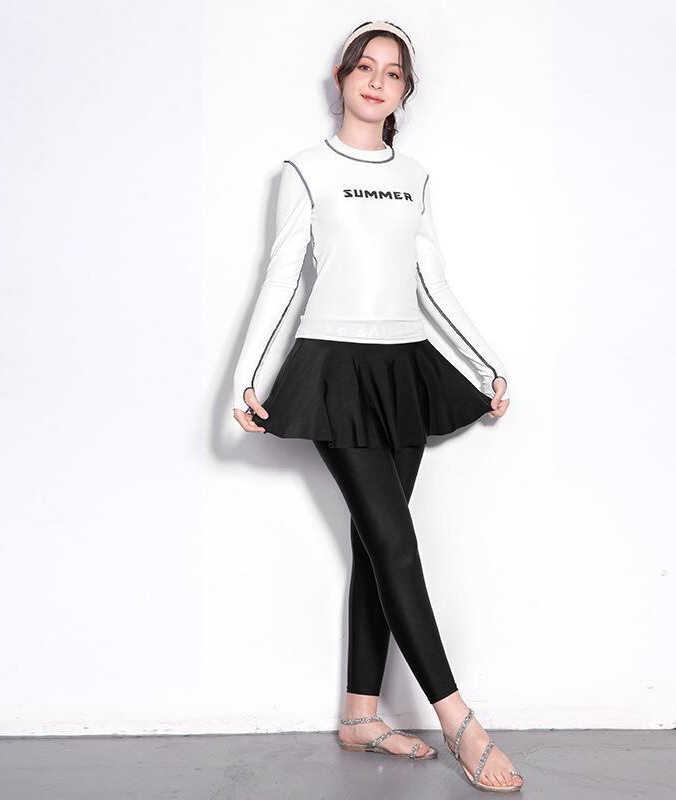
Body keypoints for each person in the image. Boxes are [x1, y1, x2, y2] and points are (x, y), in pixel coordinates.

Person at [232, 20, 523, 793]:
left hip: (403, 369)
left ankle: (362, 715)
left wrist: (488, 365)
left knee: (374, 545)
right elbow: (282, 277)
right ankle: (459, 719)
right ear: (341, 76)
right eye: (365, 66)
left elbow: (432, 281)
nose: (376, 80)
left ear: (404, 92)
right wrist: (249, 377)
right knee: (396, 543)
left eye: (392, 72)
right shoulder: (304, 171)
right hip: (334, 368)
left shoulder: (416, 176)